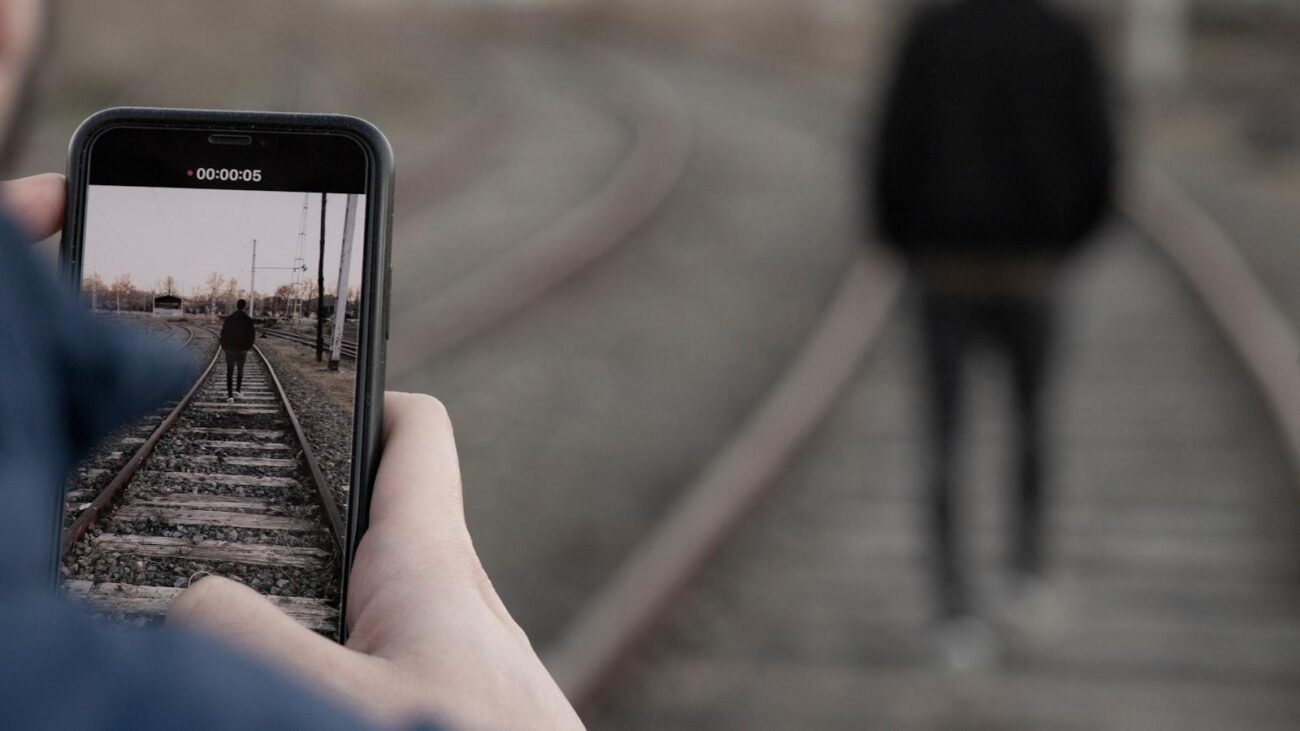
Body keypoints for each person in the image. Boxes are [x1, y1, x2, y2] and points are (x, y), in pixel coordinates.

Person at [0, 1, 583, 728]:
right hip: (238, 361)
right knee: (249, 385)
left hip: (236, 358)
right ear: (10, 29)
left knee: (241, 381)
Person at [868, 0, 1115, 657]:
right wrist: (1059, 244)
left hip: (944, 273)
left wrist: (910, 244)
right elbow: (1102, 161)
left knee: (944, 442)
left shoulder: (929, 33)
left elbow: (890, 151)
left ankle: (952, 609)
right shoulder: (1067, 37)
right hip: (1033, 273)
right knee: (1032, 427)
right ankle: (1026, 578)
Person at [220, 297, 256, 402]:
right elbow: (252, 335)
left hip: (230, 349)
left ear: (237, 305)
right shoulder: (248, 320)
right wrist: (248, 346)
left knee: (229, 372)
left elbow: (223, 333)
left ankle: (230, 396)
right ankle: (237, 391)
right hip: (242, 350)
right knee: (240, 370)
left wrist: (224, 346)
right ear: (245, 307)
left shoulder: (229, 318)